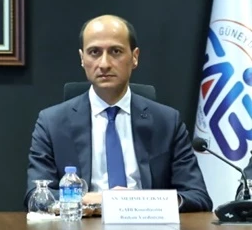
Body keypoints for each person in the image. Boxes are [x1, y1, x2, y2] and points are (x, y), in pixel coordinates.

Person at [25, 15, 212, 212]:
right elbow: (35, 196)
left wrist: (140, 201)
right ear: (82, 59)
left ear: (134, 57)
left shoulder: (167, 122)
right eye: (94, 52)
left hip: (147, 223)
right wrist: (89, 199)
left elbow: (198, 196)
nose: (104, 63)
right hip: (83, 223)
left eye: (115, 51)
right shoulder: (52, 123)